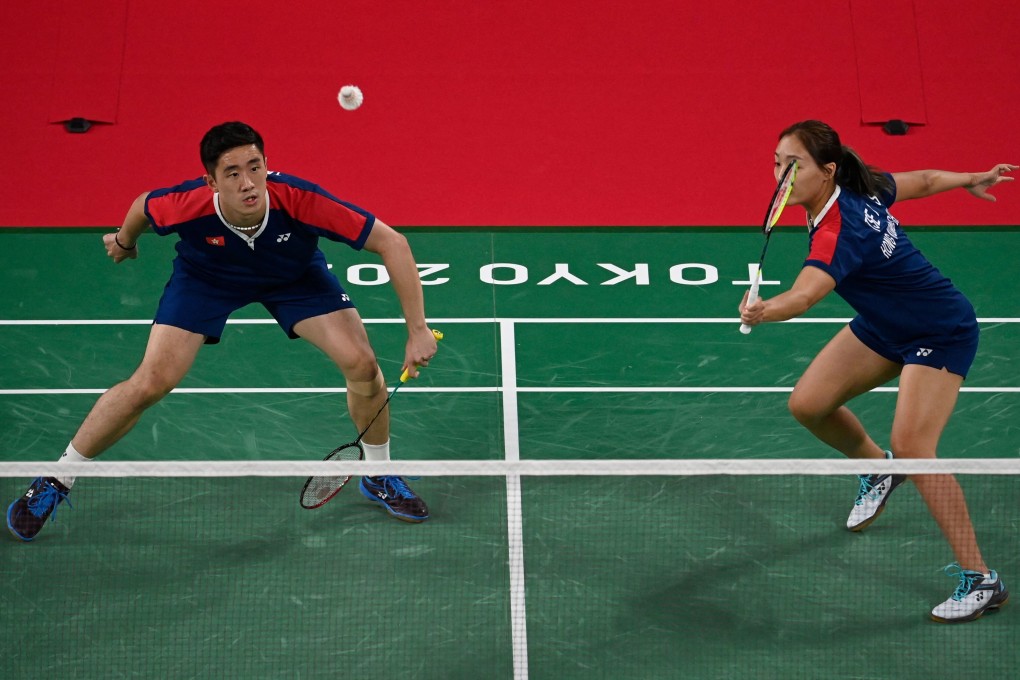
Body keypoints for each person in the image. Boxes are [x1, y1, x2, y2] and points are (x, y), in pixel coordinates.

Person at [7, 121, 439, 538]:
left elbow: (392, 242)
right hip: (207, 278)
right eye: (232, 173)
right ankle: (56, 479)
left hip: (294, 277)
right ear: (211, 181)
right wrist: (124, 240)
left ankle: (377, 472)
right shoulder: (187, 203)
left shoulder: (298, 198)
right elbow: (144, 205)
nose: (248, 183)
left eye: (255, 167)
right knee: (150, 384)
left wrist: (417, 328)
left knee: (363, 365)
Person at [739, 120, 1016, 623]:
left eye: (793, 164)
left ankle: (982, 581)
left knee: (916, 449)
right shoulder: (858, 183)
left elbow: (803, 296)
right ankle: (878, 467)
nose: (781, 174)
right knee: (808, 405)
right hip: (885, 325)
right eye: (778, 162)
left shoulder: (838, 229)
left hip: (938, 330)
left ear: (825, 171)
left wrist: (763, 311)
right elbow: (924, 180)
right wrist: (969, 177)